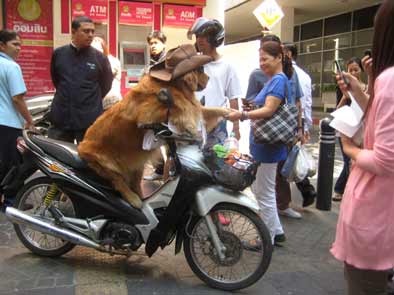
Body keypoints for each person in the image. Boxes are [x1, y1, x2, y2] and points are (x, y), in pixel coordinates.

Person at [331, 1, 394, 293]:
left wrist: (350, 148)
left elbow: (385, 160)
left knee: (365, 286)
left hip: (376, 212)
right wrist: (363, 85)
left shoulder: (390, 79)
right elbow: (379, 121)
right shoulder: (385, 79)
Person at [227, 41, 294, 246]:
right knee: (262, 189)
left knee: (263, 193)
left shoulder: (278, 80)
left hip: (268, 147)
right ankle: (277, 231)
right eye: (260, 59)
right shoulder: (275, 79)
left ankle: (266, 240)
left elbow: (269, 110)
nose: (262, 63)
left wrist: (243, 114)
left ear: (278, 58)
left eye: (265, 59)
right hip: (265, 145)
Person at [48, 16, 113, 144]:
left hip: (89, 120)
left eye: (92, 31)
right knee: (58, 159)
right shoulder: (59, 54)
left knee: (89, 160)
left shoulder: (100, 58)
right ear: (73, 32)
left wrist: (89, 99)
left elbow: (106, 84)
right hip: (62, 118)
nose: (90, 35)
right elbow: (56, 80)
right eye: (86, 31)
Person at [187, 17, 242, 148]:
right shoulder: (191, 64)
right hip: (193, 123)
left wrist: (236, 128)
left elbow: (233, 99)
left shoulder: (227, 67)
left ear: (215, 39)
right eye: (198, 36)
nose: (199, 39)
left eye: (204, 36)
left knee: (216, 164)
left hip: (217, 125)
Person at [278, 42, 317, 211]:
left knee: (289, 160)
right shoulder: (305, 75)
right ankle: (305, 190)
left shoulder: (293, 74)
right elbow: (306, 103)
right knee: (292, 158)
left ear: (288, 53)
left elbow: (300, 101)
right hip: (297, 124)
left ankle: (304, 190)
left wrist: (303, 128)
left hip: (289, 124)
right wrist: (305, 126)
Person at [0, 29, 34, 207]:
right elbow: (17, 98)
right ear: (2, 45)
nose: (19, 49)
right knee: (13, 164)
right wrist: (29, 120)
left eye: (20, 44)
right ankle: (12, 201)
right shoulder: (11, 66)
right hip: (8, 123)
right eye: (15, 44)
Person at [333, 57, 367, 202]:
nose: (353, 72)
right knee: (349, 161)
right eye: (350, 69)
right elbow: (337, 109)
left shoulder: (366, 87)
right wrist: (346, 97)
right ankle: (343, 190)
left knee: (356, 161)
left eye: (355, 69)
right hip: (346, 126)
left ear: (361, 70)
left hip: (362, 128)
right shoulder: (344, 88)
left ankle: (343, 189)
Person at [143, 30, 167, 181]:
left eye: (156, 43)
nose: (153, 46)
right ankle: (160, 169)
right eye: (151, 43)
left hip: (165, 107)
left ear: (164, 43)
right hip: (153, 107)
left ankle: (165, 171)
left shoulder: (168, 61)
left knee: (167, 141)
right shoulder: (151, 62)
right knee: (155, 139)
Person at [91, 36, 122, 111]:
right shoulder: (93, 61)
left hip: (111, 102)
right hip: (98, 102)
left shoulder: (111, 61)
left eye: (99, 49)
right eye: (93, 49)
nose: (96, 52)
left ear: (104, 48)